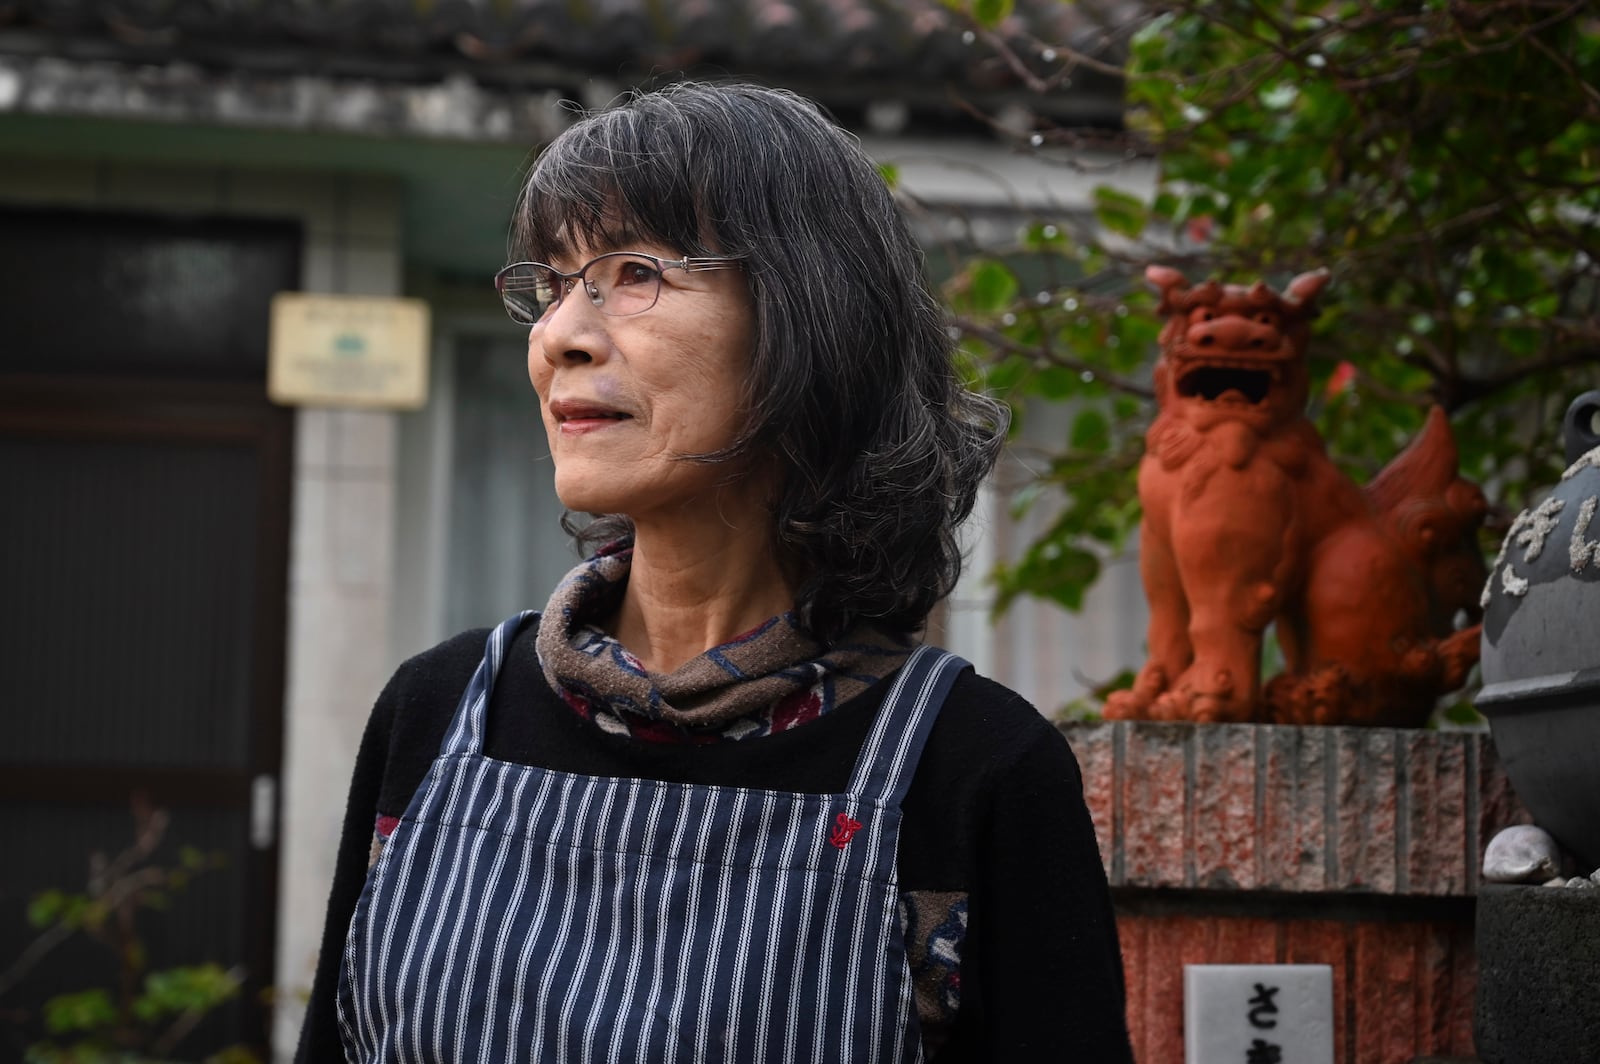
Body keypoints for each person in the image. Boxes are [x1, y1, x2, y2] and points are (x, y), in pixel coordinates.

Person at [296, 80, 1133, 1063]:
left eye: (636, 270)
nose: (560, 332)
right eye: (552, 283)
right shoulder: (437, 715)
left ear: (808, 315)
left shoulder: (972, 770)